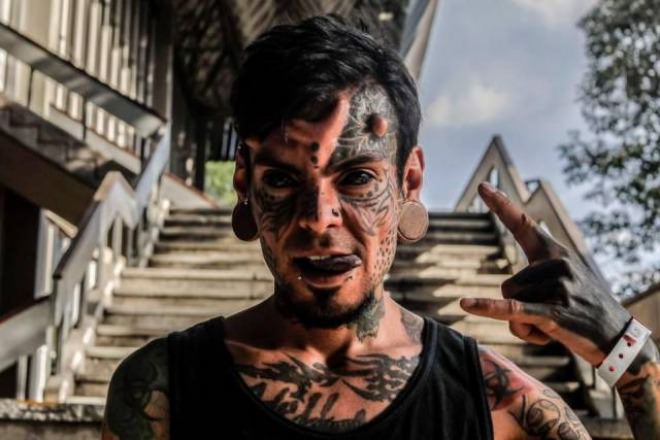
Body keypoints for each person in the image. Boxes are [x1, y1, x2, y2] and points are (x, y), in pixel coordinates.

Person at [101, 16, 659, 440]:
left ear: (408, 181)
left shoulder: (502, 406)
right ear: (244, 183)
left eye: (358, 178)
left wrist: (630, 355)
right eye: (283, 180)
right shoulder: (161, 390)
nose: (319, 217)